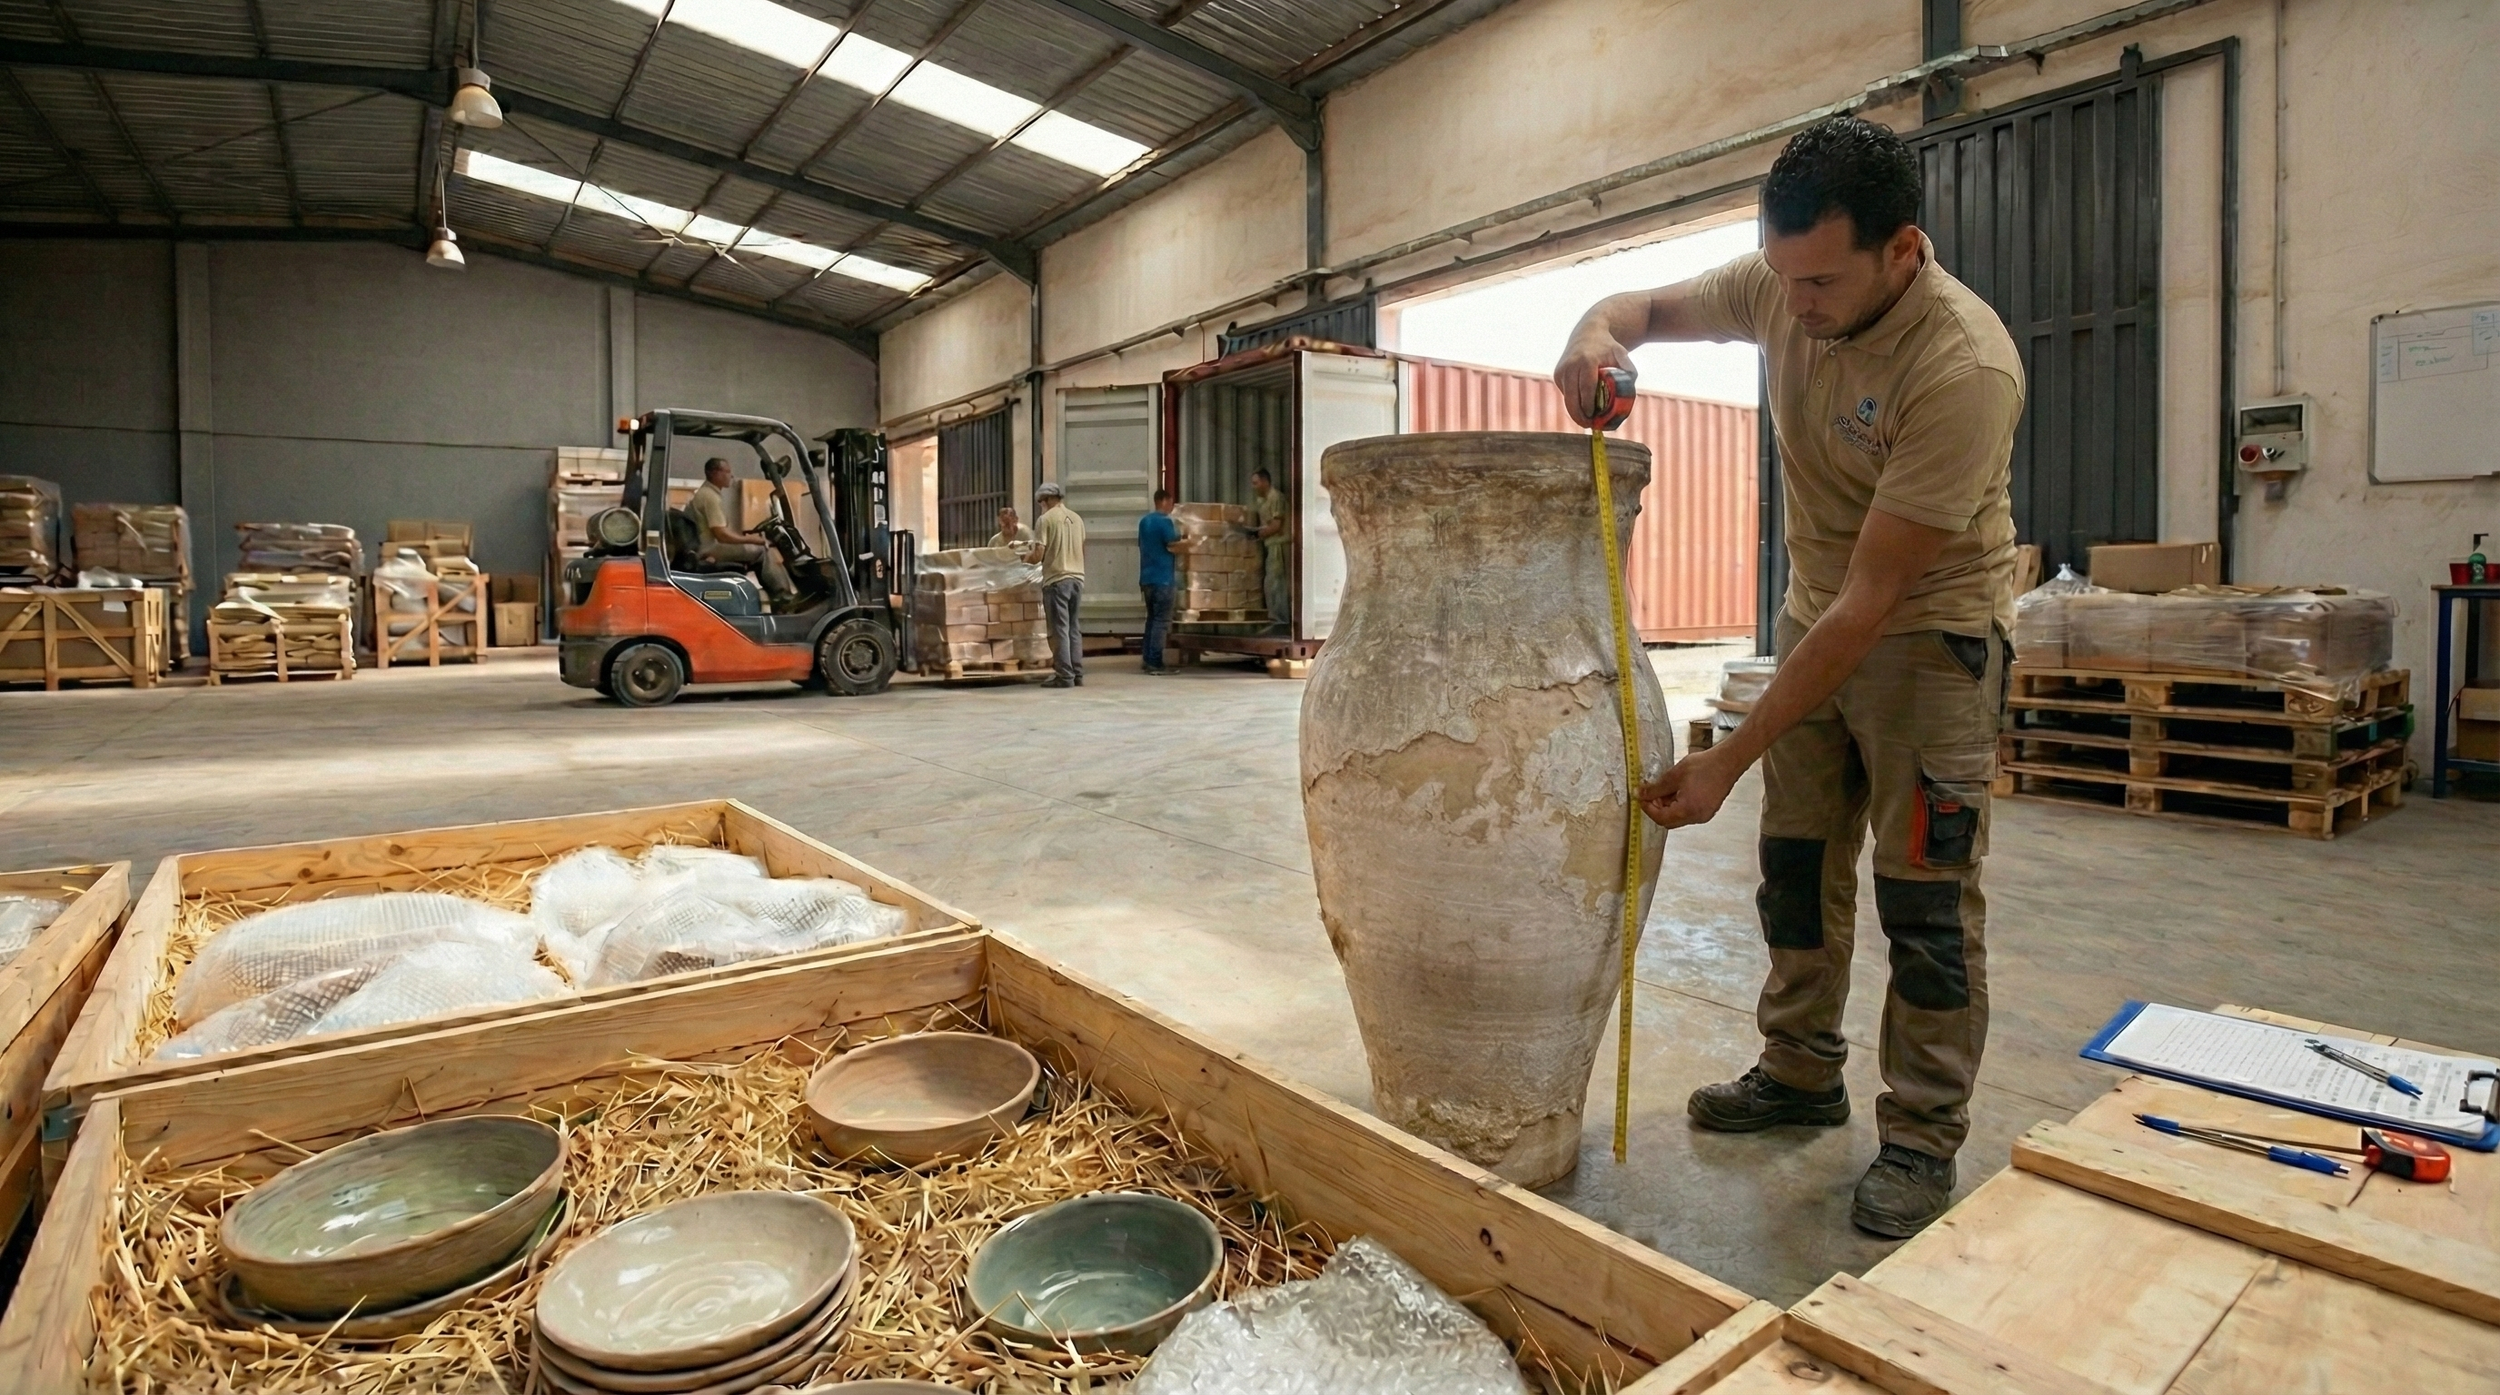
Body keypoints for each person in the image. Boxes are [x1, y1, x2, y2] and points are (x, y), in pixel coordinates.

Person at [1554, 115, 2024, 1239]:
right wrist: (1591, 335)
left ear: (1900, 251)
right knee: (1797, 869)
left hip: (1927, 642)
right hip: (1815, 618)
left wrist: (1728, 756)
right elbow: (1642, 310)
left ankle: (1921, 1136)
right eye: (1782, 275)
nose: (1795, 304)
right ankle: (1800, 1071)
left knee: (1925, 902)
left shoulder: (1962, 366)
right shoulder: (1781, 286)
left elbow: (1874, 601)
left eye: (1820, 282)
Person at [685, 457, 793, 602]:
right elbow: (721, 535)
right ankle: (783, 595)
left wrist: (747, 539)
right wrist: (752, 539)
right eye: (727, 471)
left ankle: (776, 597)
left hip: (706, 546)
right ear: (714, 473)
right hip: (709, 548)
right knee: (761, 551)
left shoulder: (707, 493)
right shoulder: (710, 497)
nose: (731, 475)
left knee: (754, 547)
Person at [1026, 482, 1087, 688]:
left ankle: (1064, 676)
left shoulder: (1045, 520)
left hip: (1056, 580)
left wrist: (1025, 558)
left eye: (1041, 502)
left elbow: (1038, 554)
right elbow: (1082, 549)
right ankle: (1077, 674)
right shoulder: (1077, 519)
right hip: (1077, 578)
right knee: (1073, 628)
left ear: (1047, 500)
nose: (1041, 506)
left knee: (1059, 629)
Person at [1136, 489, 1182, 674]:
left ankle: (1147, 659)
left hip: (1146, 578)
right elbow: (1172, 544)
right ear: (1164, 501)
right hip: (1163, 579)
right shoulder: (1165, 521)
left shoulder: (1144, 522)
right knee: (1161, 622)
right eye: (1171, 503)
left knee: (1152, 620)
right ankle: (1155, 663)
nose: (1172, 507)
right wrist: (1192, 543)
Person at [1250, 467, 1289, 631]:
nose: (1254, 487)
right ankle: (1275, 618)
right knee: (1270, 583)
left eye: (1256, 483)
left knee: (1275, 583)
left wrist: (1257, 533)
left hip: (1278, 545)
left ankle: (1280, 621)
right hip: (1270, 545)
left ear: (1265, 481)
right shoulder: (1263, 501)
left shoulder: (1276, 497)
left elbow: (1276, 525)